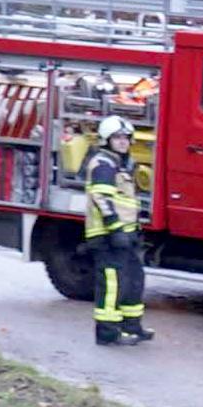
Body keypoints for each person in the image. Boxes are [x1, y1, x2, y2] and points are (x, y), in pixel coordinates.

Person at [83, 114, 153, 347]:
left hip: (125, 233)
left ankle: (132, 326)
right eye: (117, 138)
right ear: (106, 140)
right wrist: (114, 228)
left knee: (134, 279)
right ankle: (107, 333)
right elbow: (101, 198)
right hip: (107, 236)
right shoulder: (104, 164)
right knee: (113, 284)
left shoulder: (121, 164)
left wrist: (133, 230)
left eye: (126, 137)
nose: (123, 141)